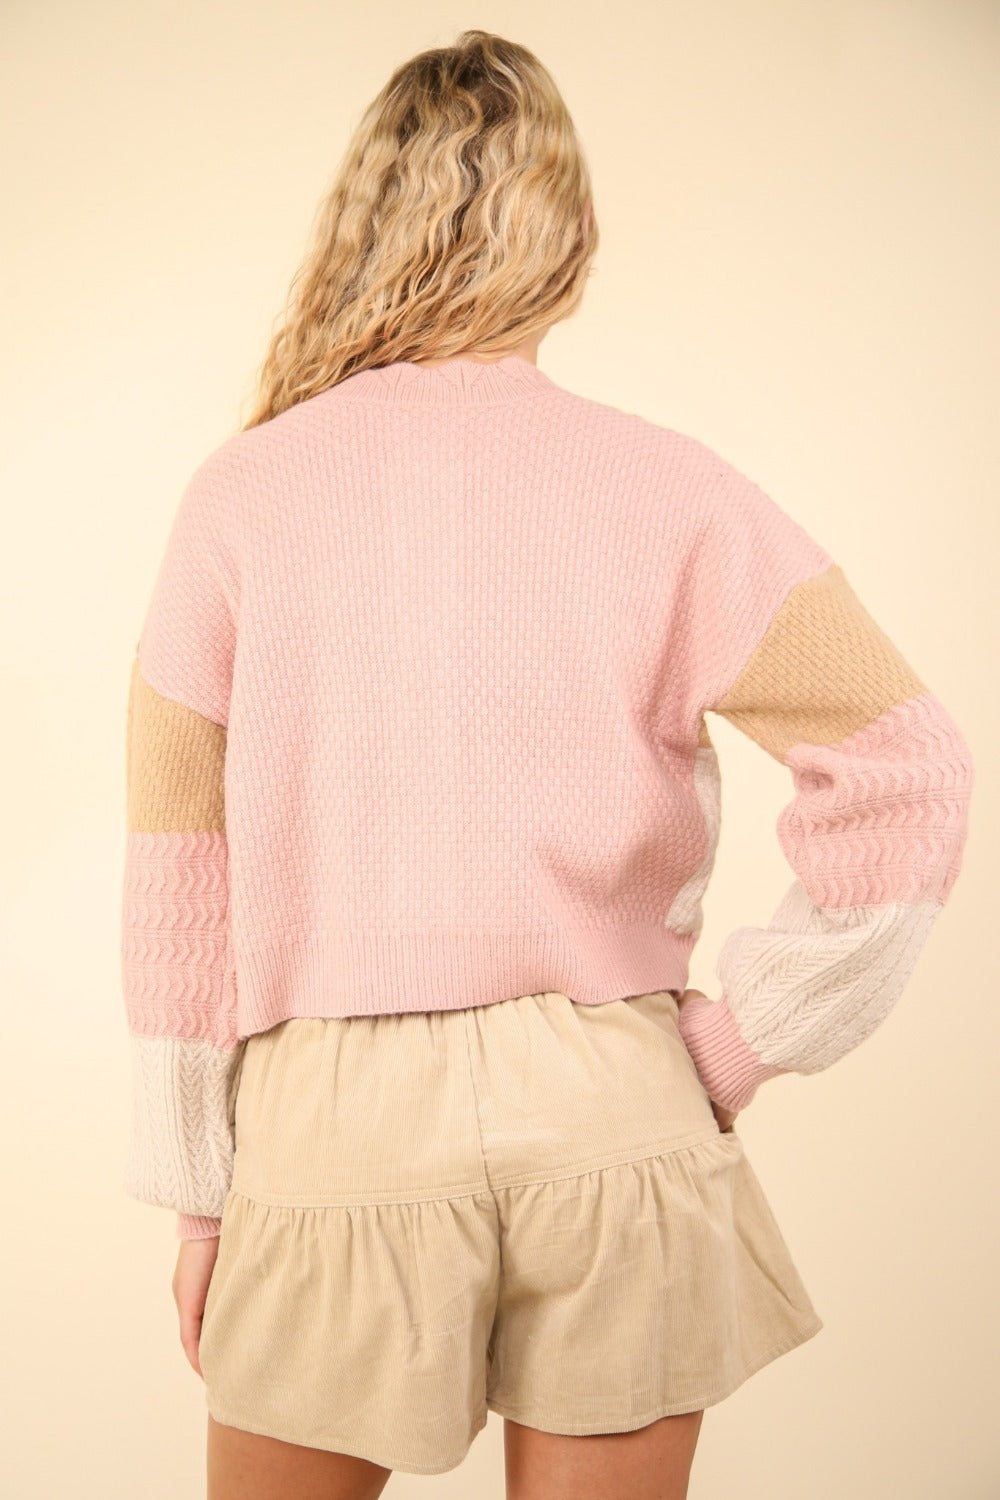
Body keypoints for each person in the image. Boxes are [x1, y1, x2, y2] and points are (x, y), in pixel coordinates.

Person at [120, 28, 974, 1500]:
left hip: (333, 1133)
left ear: (359, 223)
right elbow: (913, 772)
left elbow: (180, 874)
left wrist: (201, 1201)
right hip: (612, 1104)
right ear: (570, 238)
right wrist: (730, 1046)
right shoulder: (676, 489)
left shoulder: (241, 498)